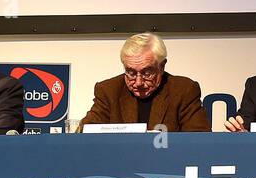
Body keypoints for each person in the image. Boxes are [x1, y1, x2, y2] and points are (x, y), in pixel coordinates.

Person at [76, 32, 209, 131]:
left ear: (161, 66)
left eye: (147, 73)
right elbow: (86, 133)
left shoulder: (183, 91)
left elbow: (198, 140)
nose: (138, 82)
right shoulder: (108, 91)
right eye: (131, 72)